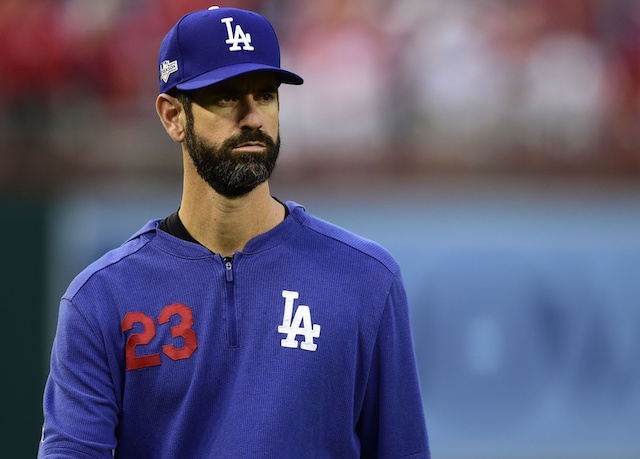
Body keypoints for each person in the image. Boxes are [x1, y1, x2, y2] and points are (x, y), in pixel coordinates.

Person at [39, 6, 430, 458]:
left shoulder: (366, 279)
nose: (252, 117)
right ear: (172, 116)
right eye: (226, 97)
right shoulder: (101, 298)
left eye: (265, 95)